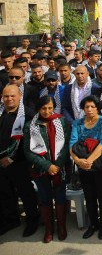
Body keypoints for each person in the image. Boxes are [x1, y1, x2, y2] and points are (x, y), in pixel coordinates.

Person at [23, 96, 71, 243]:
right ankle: (49, 229)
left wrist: (57, 165)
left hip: (60, 168)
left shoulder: (62, 121)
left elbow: (67, 145)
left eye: (50, 108)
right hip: (40, 169)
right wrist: (47, 166)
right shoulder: (30, 125)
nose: (47, 111)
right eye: (44, 108)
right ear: (38, 108)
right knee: (44, 198)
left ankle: (61, 227)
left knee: (60, 197)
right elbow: (28, 151)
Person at [69, 95, 102, 240]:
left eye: (93, 106)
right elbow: (72, 144)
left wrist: (88, 161)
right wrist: (78, 161)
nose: (89, 109)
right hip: (83, 166)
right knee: (89, 196)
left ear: (98, 108)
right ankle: (93, 224)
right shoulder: (77, 123)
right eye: (86, 107)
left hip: (100, 166)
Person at [0, 85, 39, 237]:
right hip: (1, 162)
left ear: (20, 96)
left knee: (26, 193)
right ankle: (11, 220)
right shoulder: (1, 112)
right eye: (6, 96)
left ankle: (32, 221)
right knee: (5, 192)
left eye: (12, 96)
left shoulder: (28, 115)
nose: (9, 99)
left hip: (20, 162)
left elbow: (32, 141)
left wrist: (12, 158)